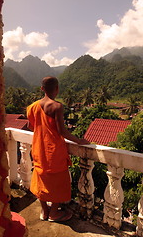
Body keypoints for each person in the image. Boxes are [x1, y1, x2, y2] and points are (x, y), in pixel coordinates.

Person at [26, 76, 90, 222]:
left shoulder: (32, 107)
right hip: (54, 150)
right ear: (57, 89)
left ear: (42, 89)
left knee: (40, 177)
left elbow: (31, 126)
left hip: (38, 148)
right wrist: (79, 141)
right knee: (59, 180)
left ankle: (44, 211)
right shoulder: (57, 107)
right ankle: (54, 212)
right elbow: (63, 131)